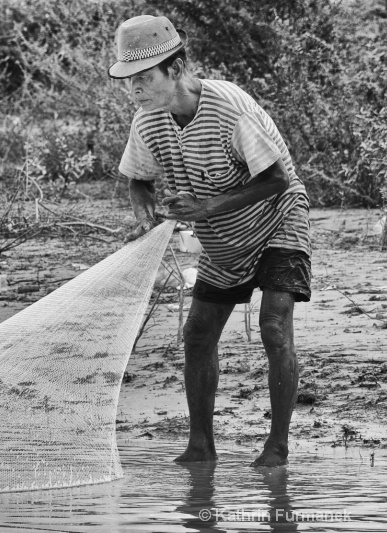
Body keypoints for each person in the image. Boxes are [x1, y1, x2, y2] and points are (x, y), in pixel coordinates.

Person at [110, 15, 311, 466]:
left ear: (176, 68)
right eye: (129, 82)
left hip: (279, 218)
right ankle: (200, 447)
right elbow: (138, 182)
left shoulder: (228, 107)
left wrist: (203, 208)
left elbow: (277, 178)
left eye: (144, 78)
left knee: (274, 326)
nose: (135, 90)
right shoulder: (148, 122)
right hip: (224, 238)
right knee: (198, 334)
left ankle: (276, 450)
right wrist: (145, 218)